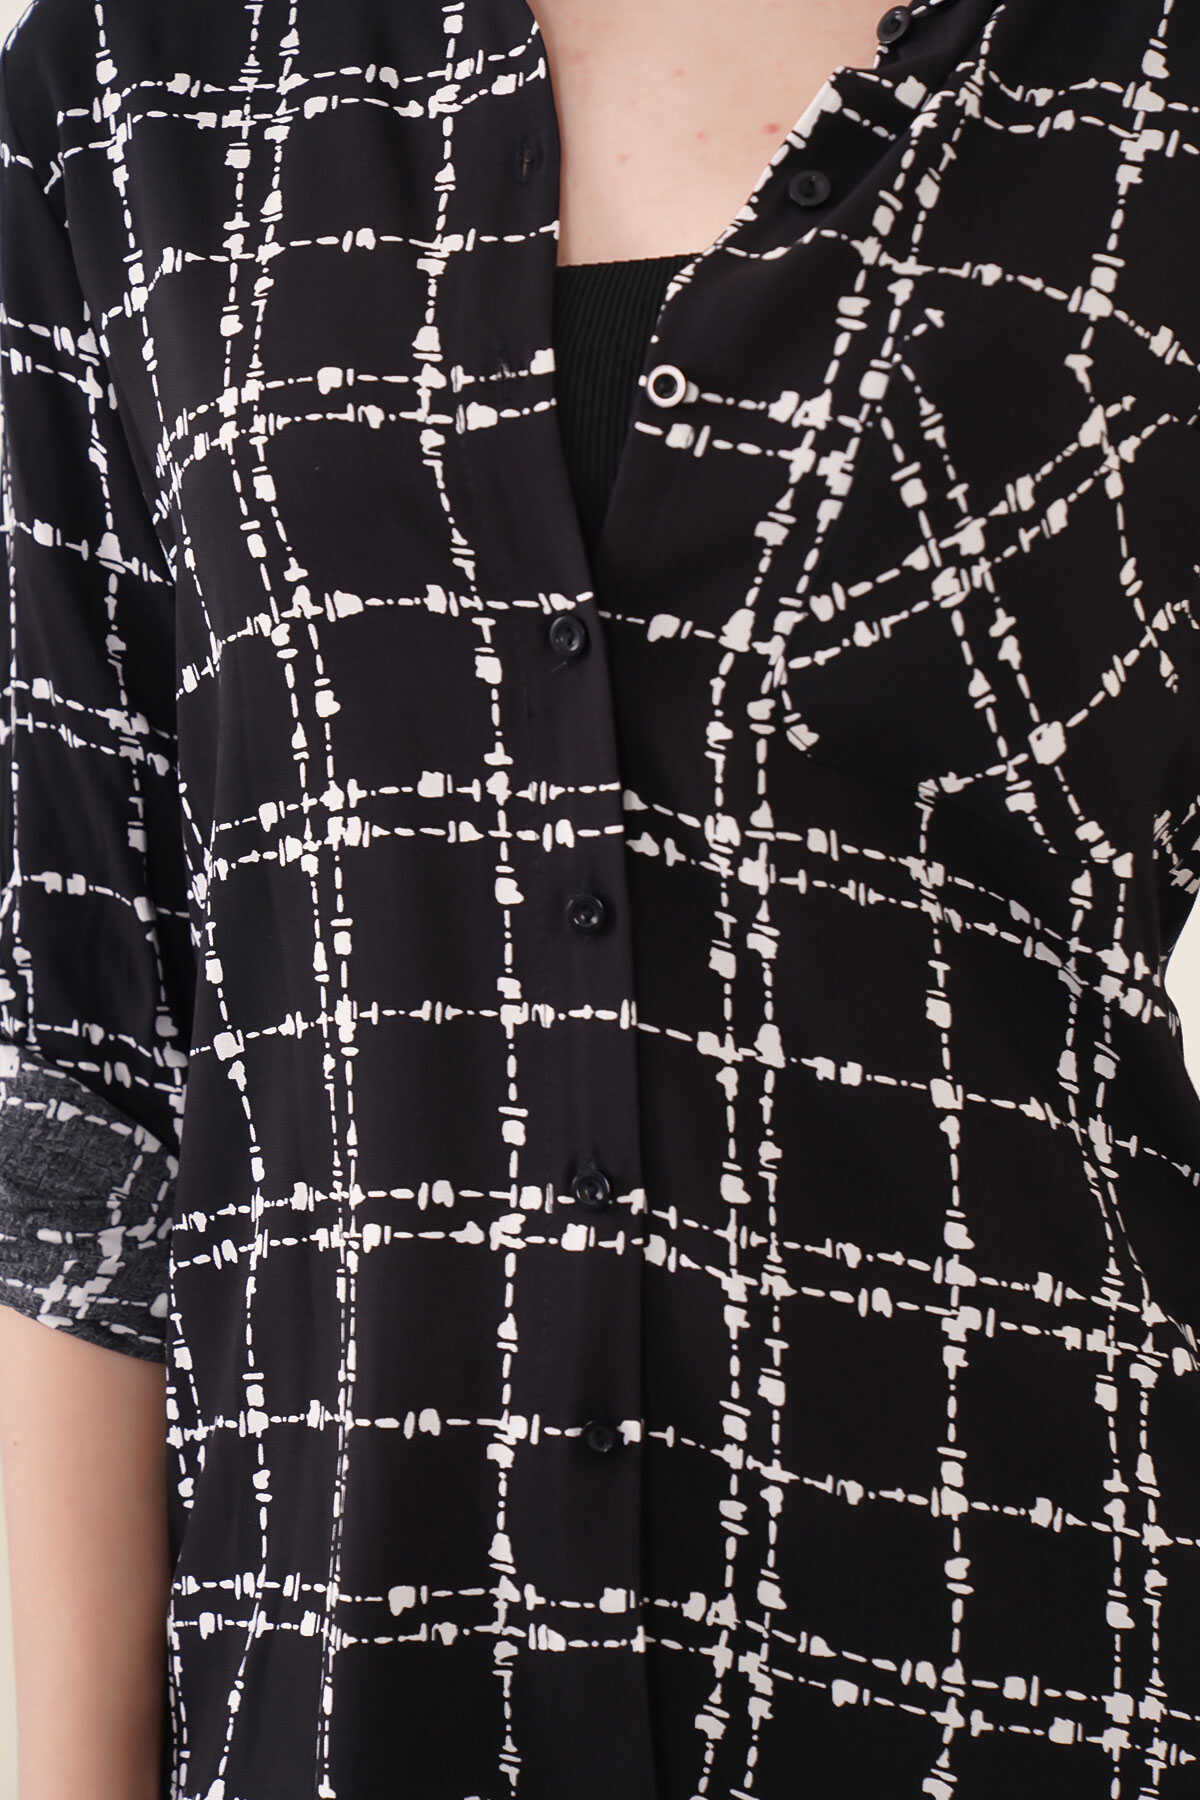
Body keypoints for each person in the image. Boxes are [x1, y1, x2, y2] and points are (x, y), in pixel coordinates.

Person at [1, 0, 1199, 1794]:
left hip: (1021, 1657)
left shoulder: (1146, 77)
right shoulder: (140, 79)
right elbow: (82, 1087)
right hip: (341, 1678)